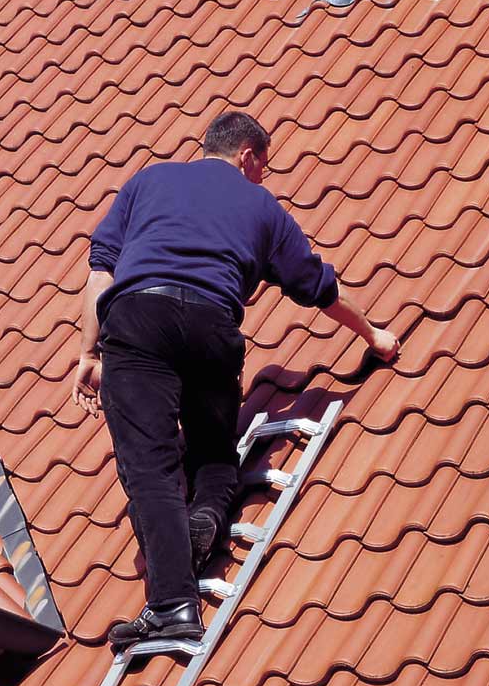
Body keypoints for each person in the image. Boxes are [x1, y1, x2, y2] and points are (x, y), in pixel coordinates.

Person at [72, 111, 398, 648]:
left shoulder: (148, 181)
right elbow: (317, 284)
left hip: (138, 319)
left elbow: (102, 269)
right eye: (263, 168)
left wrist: (88, 351)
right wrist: (372, 334)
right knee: (215, 454)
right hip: (212, 324)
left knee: (150, 467)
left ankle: (173, 605)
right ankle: (204, 515)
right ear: (248, 156)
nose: (262, 179)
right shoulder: (262, 207)